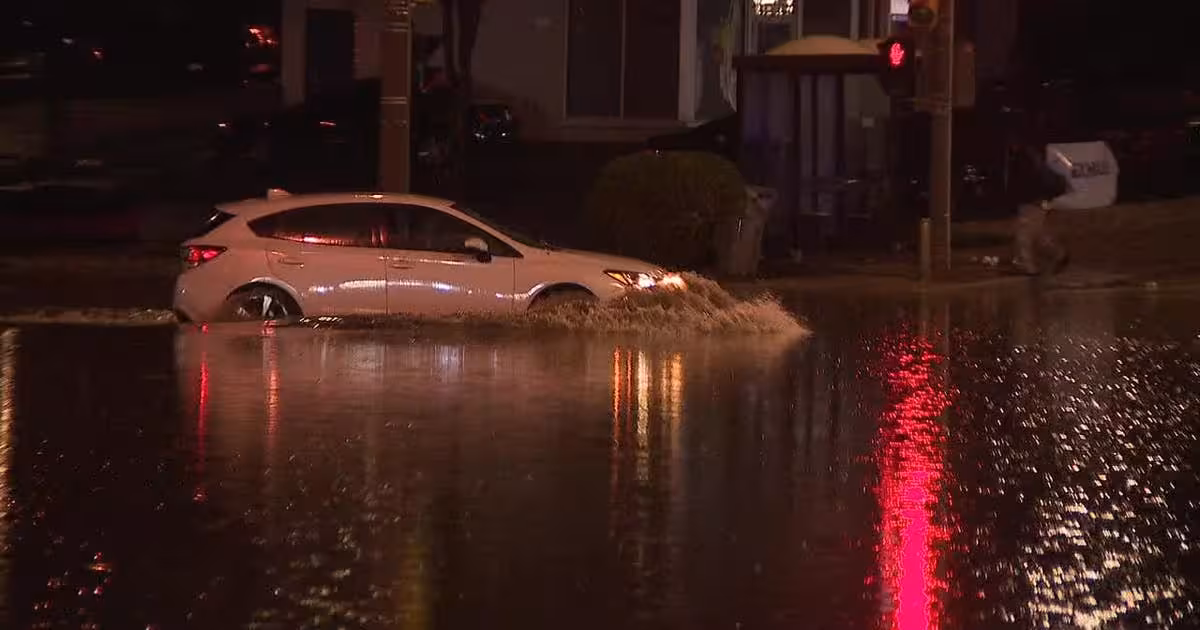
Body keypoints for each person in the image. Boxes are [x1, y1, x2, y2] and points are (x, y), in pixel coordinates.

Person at [1008, 139, 1071, 275]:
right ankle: (1059, 255)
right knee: (1037, 234)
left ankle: (1027, 266)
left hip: (1031, 201)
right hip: (1037, 201)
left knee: (1024, 235)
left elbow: (1026, 182)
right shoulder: (1032, 157)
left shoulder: (1024, 160)